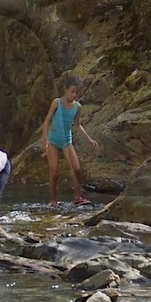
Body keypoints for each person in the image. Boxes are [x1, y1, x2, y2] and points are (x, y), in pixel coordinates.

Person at [42, 75, 99, 209]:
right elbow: (47, 121)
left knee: (77, 169)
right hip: (53, 141)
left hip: (67, 141)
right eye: (72, 91)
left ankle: (78, 197)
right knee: (54, 172)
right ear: (65, 89)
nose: (74, 95)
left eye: (76, 92)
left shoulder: (77, 107)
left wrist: (89, 139)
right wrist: (45, 140)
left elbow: (78, 125)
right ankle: (53, 200)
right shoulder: (57, 102)